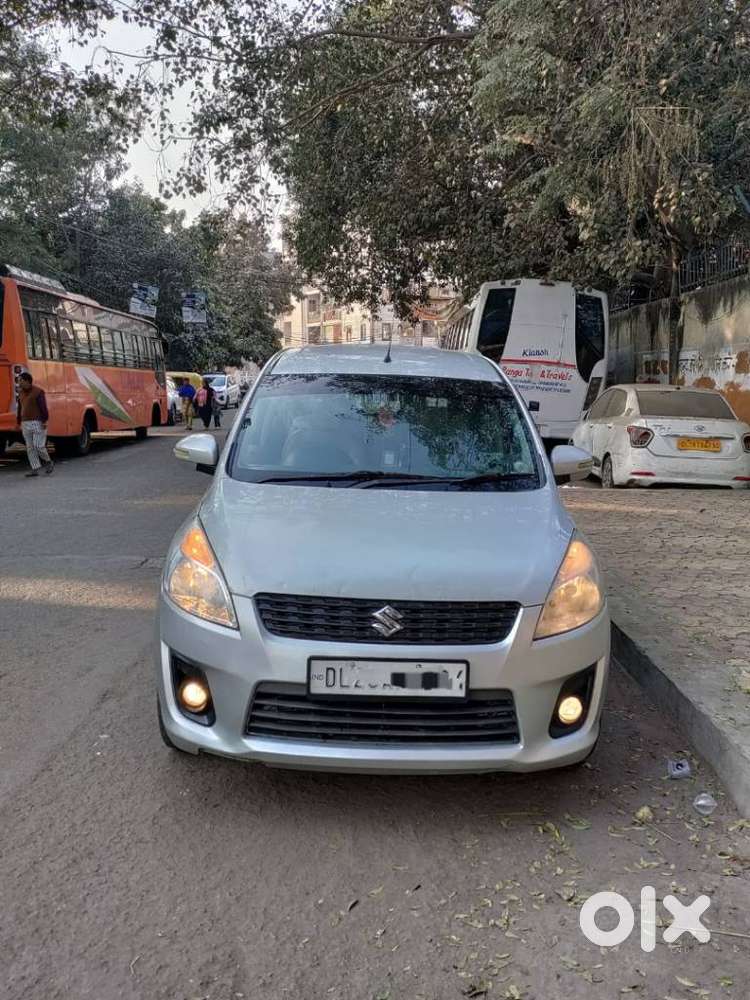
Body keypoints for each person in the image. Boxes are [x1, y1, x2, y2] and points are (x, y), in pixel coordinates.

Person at [15, 372, 54, 477]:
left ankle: (48, 461)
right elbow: (20, 408)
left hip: (37, 422)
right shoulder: (21, 393)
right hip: (25, 423)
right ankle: (35, 468)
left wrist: (44, 420)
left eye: (20, 380)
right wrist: (18, 422)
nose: (19, 383)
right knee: (30, 447)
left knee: (38, 446)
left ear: (27, 381)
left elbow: (43, 408)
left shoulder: (38, 392)